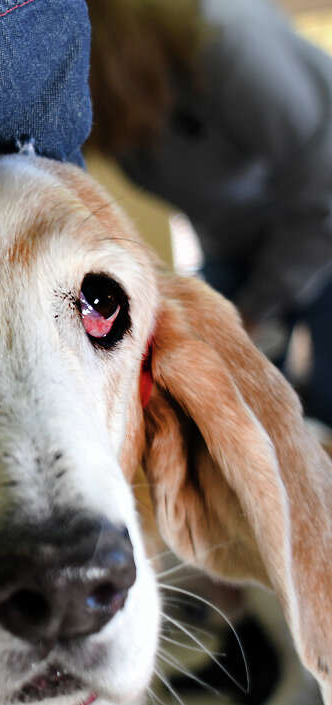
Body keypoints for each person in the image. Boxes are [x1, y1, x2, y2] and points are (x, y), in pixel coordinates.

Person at [87, 0, 332, 425]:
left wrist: (255, 309)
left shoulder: (231, 42)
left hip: (317, 226)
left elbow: (323, 189)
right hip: (240, 250)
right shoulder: (122, 110)